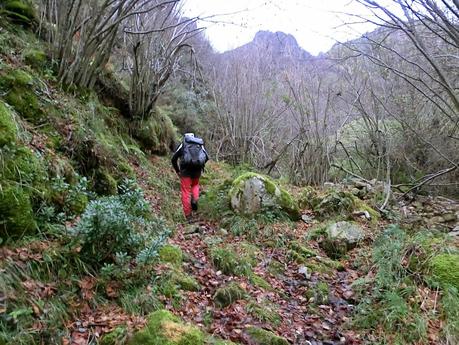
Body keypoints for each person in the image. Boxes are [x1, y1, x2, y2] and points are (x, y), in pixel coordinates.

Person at [171, 133, 209, 222]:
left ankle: (188, 215)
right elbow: (206, 157)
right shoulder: (199, 144)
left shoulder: (183, 144)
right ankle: (195, 200)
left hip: (185, 171)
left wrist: (177, 170)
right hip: (197, 171)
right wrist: (200, 165)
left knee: (186, 191)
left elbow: (173, 159)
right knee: (195, 185)